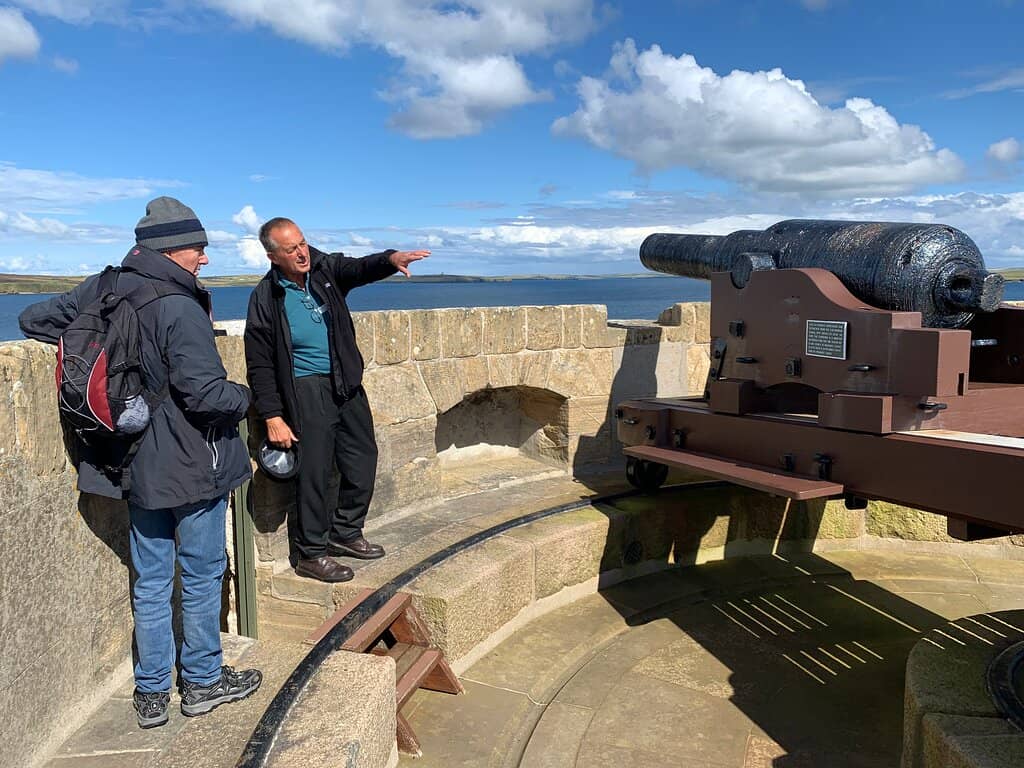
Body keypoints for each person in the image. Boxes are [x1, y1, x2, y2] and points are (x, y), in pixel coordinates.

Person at [19, 197, 262, 729]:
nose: (204, 258)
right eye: (199, 248)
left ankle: (152, 692)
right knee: (200, 574)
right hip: (191, 464)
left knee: (150, 580)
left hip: (128, 459)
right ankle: (201, 681)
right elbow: (204, 395)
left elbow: (32, 319)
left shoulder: (103, 287)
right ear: (171, 248)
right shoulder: (178, 306)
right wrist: (249, 398)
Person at [244, 217, 429, 582]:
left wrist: (390, 259)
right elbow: (259, 362)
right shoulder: (266, 298)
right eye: (291, 249)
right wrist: (272, 415)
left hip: (345, 382)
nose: (301, 253)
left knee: (362, 458)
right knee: (313, 470)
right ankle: (311, 553)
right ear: (272, 255)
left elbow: (357, 268)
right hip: (305, 388)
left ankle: (345, 532)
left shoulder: (325, 269)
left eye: (302, 243)